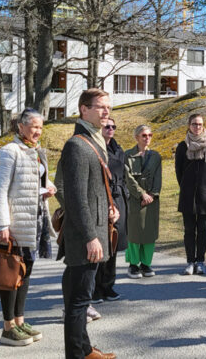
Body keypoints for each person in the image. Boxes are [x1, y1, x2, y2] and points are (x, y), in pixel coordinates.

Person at [55, 89, 119, 359]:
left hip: (91, 230)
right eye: (100, 107)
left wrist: (109, 207)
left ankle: (84, 349)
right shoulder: (78, 145)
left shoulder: (92, 141)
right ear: (84, 109)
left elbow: (93, 190)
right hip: (85, 237)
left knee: (77, 299)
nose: (106, 112)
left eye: (108, 107)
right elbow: (76, 197)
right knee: (79, 303)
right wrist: (91, 236)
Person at [0, 108, 56, 346]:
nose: (38, 131)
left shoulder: (36, 152)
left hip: (33, 223)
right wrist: (3, 224)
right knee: (10, 276)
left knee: (24, 275)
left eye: (41, 127)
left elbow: (35, 180)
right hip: (14, 225)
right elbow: (0, 190)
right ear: (21, 126)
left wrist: (49, 187)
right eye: (34, 126)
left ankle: (20, 320)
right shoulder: (9, 151)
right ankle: (8, 327)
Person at [175, 113, 206, 275]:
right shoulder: (182, 146)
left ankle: (200, 261)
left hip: (205, 196)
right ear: (189, 125)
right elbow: (178, 171)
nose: (197, 127)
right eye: (194, 124)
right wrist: (187, 186)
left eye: (200, 124)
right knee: (189, 230)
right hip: (187, 195)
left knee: (203, 230)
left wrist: (205, 185)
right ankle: (189, 261)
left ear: (204, 126)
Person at [93, 117, 128, 302]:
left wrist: (125, 194)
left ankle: (108, 286)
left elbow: (123, 174)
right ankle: (96, 288)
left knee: (114, 244)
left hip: (119, 198)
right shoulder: (96, 149)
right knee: (103, 243)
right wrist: (107, 203)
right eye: (107, 126)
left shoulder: (118, 148)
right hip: (104, 199)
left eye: (113, 126)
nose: (110, 129)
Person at [124, 124, 162, 279]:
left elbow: (158, 178)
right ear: (136, 137)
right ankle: (133, 265)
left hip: (151, 200)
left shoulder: (156, 156)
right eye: (144, 135)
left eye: (150, 135)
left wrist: (152, 195)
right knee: (134, 232)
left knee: (149, 232)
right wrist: (141, 194)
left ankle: (146, 264)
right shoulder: (127, 155)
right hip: (135, 200)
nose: (147, 138)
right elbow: (128, 178)